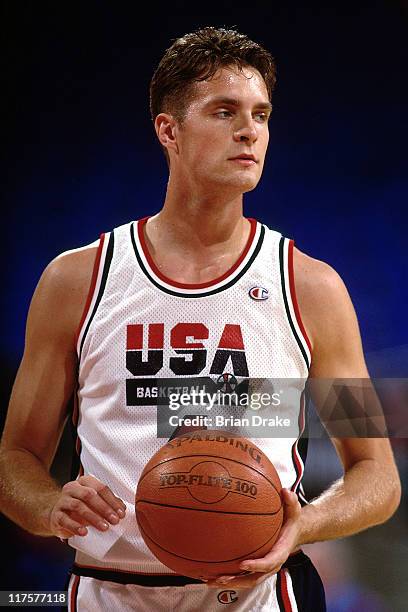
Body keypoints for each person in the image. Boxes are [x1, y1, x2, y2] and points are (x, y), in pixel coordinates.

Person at [0, 26, 401, 612]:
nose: (250, 130)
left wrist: (306, 522)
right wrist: (45, 505)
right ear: (169, 130)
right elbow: (15, 461)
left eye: (261, 115)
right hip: (109, 592)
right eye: (224, 112)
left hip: (257, 595)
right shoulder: (76, 281)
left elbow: (378, 476)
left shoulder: (313, 288)